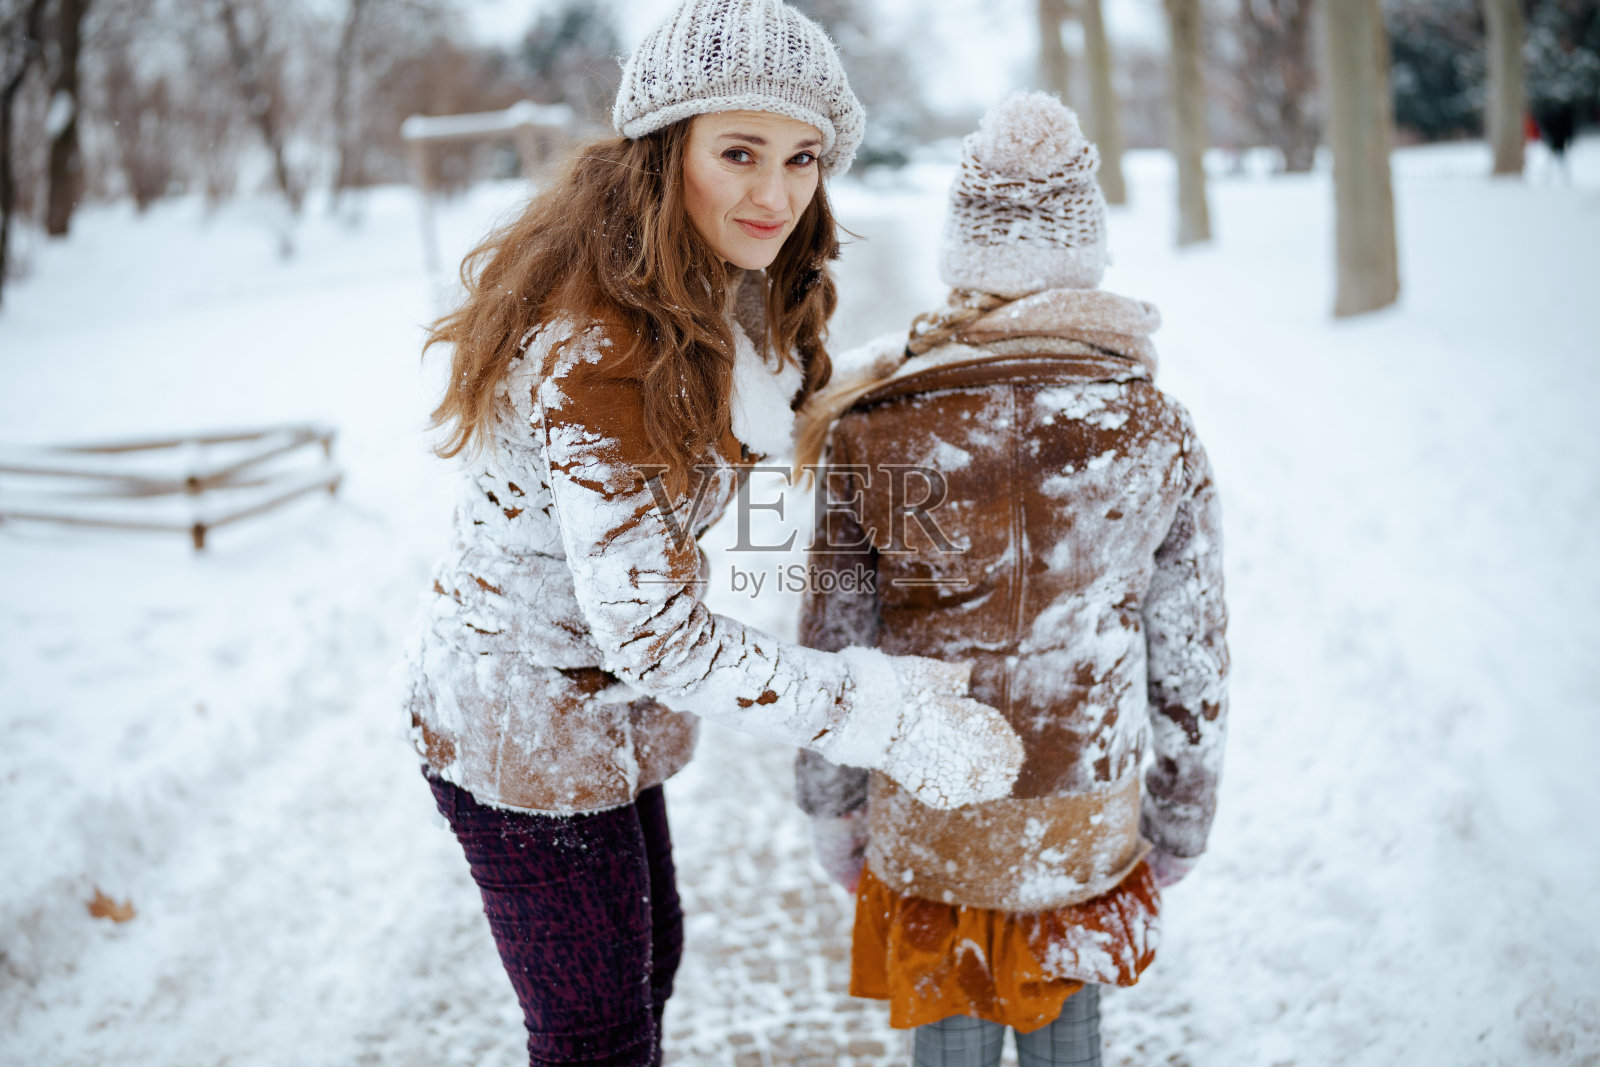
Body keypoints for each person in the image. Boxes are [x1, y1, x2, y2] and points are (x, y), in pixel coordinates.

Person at [403, 2, 1025, 1064]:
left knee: (650, 963)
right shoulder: (597, 339)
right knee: (598, 1033)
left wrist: (905, 374)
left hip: (610, 714)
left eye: (801, 158)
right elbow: (656, 637)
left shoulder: (707, 295)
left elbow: (757, 467)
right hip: (527, 730)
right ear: (662, 150)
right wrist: (882, 713)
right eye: (739, 151)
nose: (776, 193)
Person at [792, 92, 1230, 1067]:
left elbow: (831, 642)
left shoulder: (876, 426)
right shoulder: (1154, 427)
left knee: (948, 1018)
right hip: (1085, 811)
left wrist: (832, 800)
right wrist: (1183, 811)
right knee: (1066, 1022)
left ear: (964, 247)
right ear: (1088, 247)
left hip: (929, 806)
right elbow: (1191, 652)